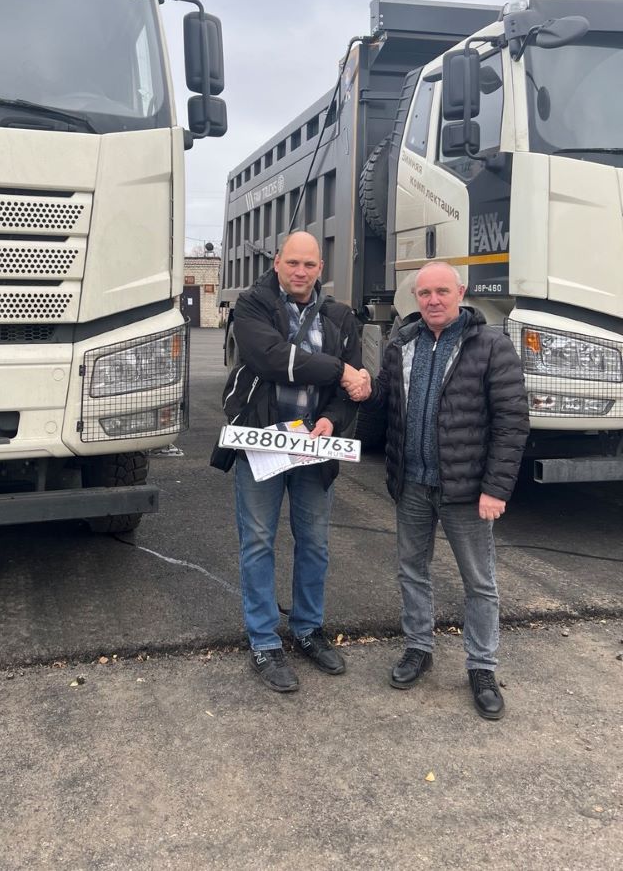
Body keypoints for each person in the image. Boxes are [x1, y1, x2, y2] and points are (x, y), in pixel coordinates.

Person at [344, 262, 529, 720]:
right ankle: (418, 648)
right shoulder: (402, 343)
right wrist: (367, 390)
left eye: (442, 291)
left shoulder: (491, 346)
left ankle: (482, 667)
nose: (433, 300)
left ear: (460, 292)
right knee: (412, 570)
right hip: (411, 483)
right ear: (416, 298)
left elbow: (511, 422)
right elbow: (388, 400)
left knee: (479, 582)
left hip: (467, 489)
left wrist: (496, 488)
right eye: (425, 293)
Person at [222, 231, 364, 692]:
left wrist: (331, 420)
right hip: (261, 443)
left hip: (313, 448)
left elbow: (350, 392)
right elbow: (270, 358)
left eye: (309, 265)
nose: (300, 272)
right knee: (258, 542)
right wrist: (340, 369)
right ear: (277, 262)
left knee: (315, 543)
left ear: (321, 268)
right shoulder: (252, 305)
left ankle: (307, 630)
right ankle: (264, 642)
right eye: (292, 263)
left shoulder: (340, 317)